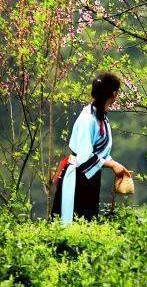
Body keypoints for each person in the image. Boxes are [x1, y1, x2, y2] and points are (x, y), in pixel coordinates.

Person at [52, 72, 131, 224]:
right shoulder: (87, 119)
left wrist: (116, 165)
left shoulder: (100, 117)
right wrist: (112, 164)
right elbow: (84, 157)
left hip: (90, 176)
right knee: (74, 220)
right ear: (114, 94)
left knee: (88, 220)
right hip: (77, 177)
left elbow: (99, 152)